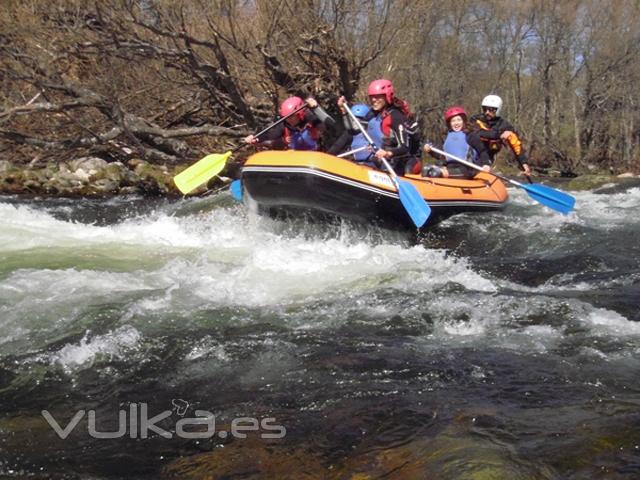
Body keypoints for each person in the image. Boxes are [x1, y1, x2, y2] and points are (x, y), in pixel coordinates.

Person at [360, 79, 420, 176]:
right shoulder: (375, 115)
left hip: (397, 165)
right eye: (371, 97)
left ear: (386, 97)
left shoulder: (395, 116)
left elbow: (405, 148)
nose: (373, 100)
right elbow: (355, 129)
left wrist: (387, 153)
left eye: (377, 96)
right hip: (381, 162)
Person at [466, 94, 531, 177]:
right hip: (473, 153)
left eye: (491, 110)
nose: (487, 112)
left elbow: (516, 146)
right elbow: (478, 133)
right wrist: (499, 134)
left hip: (488, 157)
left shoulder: (505, 126)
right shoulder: (475, 120)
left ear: (498, 110)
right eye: (485, 109)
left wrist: (524, 163)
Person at [243, 96, 336, 151]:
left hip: (316, 157)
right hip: (296, 160)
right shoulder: (284, 125)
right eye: (286, 118)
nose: (288, 120)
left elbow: (331, 125)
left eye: (291, 117)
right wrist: (256, 138)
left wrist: (316, 108)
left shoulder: (311, 119)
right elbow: (270, 135)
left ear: (300, 114)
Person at [422, 106, 491, 178]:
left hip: (466, 169)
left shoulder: (470, 135)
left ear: (463, 121)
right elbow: (441, 155)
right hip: (449, 166)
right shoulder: (446, 136)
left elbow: (482, 151)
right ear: (449, 123)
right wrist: (430, 150)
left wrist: (486, 164)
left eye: (459, 120)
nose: (456, 123)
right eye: (453, 121)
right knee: (426, 170)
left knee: (436, 173)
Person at [326, 100, 377, 167]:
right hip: (356, 166)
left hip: (373, 166)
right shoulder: (349, 134)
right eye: (353, 118)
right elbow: (335, 148)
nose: (355, 121)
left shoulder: (373, 132)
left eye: (359, 118)